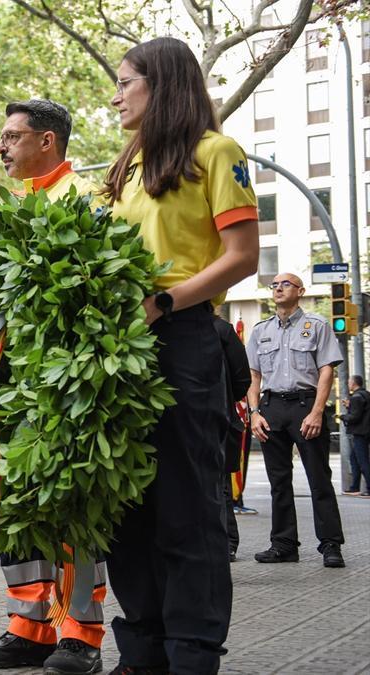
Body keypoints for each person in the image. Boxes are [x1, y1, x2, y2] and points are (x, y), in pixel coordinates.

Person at [102, 37, 260, 674]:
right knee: (125, 506)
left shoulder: (217, 152)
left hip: (183, 338)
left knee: (186, 506)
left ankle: (191, 652)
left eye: (125, 83)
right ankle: (142, 650)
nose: (115, 96)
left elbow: (242, 257)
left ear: (161, 84)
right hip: (118, 350)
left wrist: (163, 303)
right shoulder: (126, 168)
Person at [0, 99, 108, 675]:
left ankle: (81, 634)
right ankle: (30, 628)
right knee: (17, 508)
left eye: (11, 136)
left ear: (47, 141)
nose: (1, 147)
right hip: (8, 384)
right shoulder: (12, 207)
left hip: (65, 382)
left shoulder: (86, 201)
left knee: (69, 506)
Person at [246, 272, 345, 568]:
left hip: (305, 406)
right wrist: (254, 413)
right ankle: (284, 545)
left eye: (286, 284)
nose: (278, 288)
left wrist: (317, 411)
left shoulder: (317, 325)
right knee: (279, 482)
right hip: (270, 408)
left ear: (300, 291)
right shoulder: (261, 330)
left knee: (318, 479)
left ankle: (331, 544)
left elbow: (326, 370)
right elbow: (253, 375)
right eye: (274, 284)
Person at [214, 314, 251, 562]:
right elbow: (242, 379)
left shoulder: (222, 330)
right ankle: (225, 543)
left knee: (221, 487)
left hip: (217, 421)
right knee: (221, 487)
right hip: (217, 417)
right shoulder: (222, 329)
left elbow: (241, 381)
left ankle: (226, 542)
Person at [343, 376, 370, 496]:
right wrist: (349, 406)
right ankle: (354, 487)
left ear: (353, 383)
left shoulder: (356, 397)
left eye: (349, 382)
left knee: (363, 461)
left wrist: (342, 416)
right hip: (365, 431)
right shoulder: (366, 394)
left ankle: (369, 488)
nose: (348, 384)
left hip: (360, 432)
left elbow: (355, 417)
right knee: (354, 458)